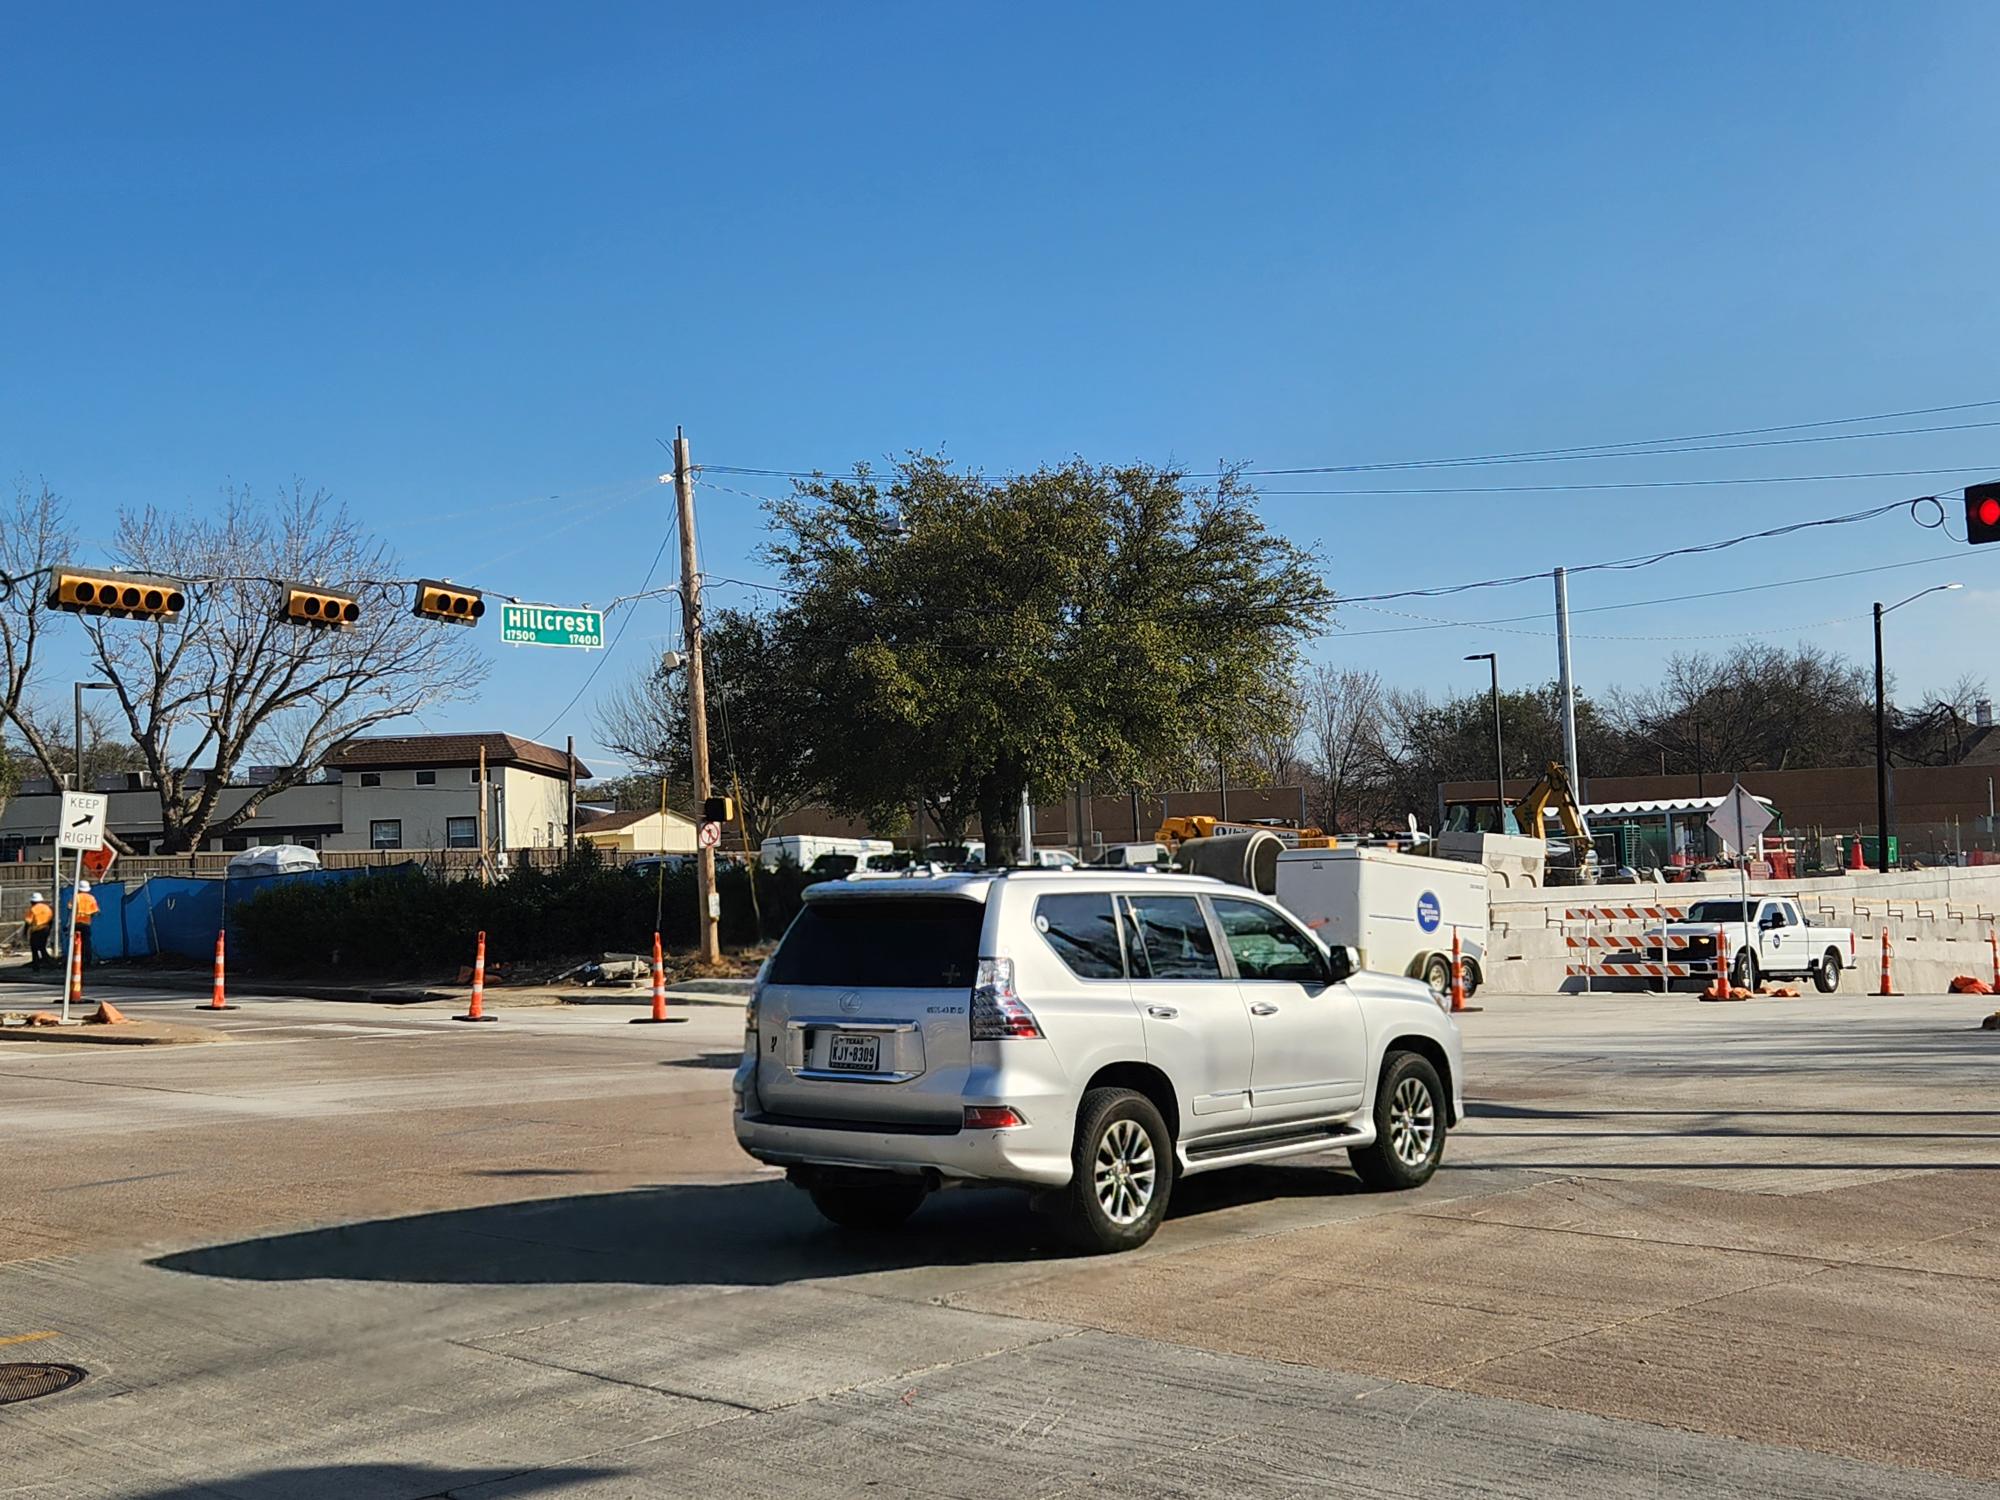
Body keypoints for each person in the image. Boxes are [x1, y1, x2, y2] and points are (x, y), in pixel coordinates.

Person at [23, 892, 53, 971]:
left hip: (36, 931)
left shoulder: (33, 909)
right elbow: (51, 920)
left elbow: (28, 922)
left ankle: (36, 966)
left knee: (34, 949)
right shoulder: (47, 908)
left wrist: (25, 933)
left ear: (33, 901)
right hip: (45, 930)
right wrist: (49, 930)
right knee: (42, 947)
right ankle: (49, 964)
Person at [73, 879, 99, 966]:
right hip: (86, 923)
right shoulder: (91, 898)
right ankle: (87, 960)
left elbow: (70, 908)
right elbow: (95, 911)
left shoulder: (76, 897)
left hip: (76, 923)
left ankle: (77, 959)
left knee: (76, 942)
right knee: (86, 942)